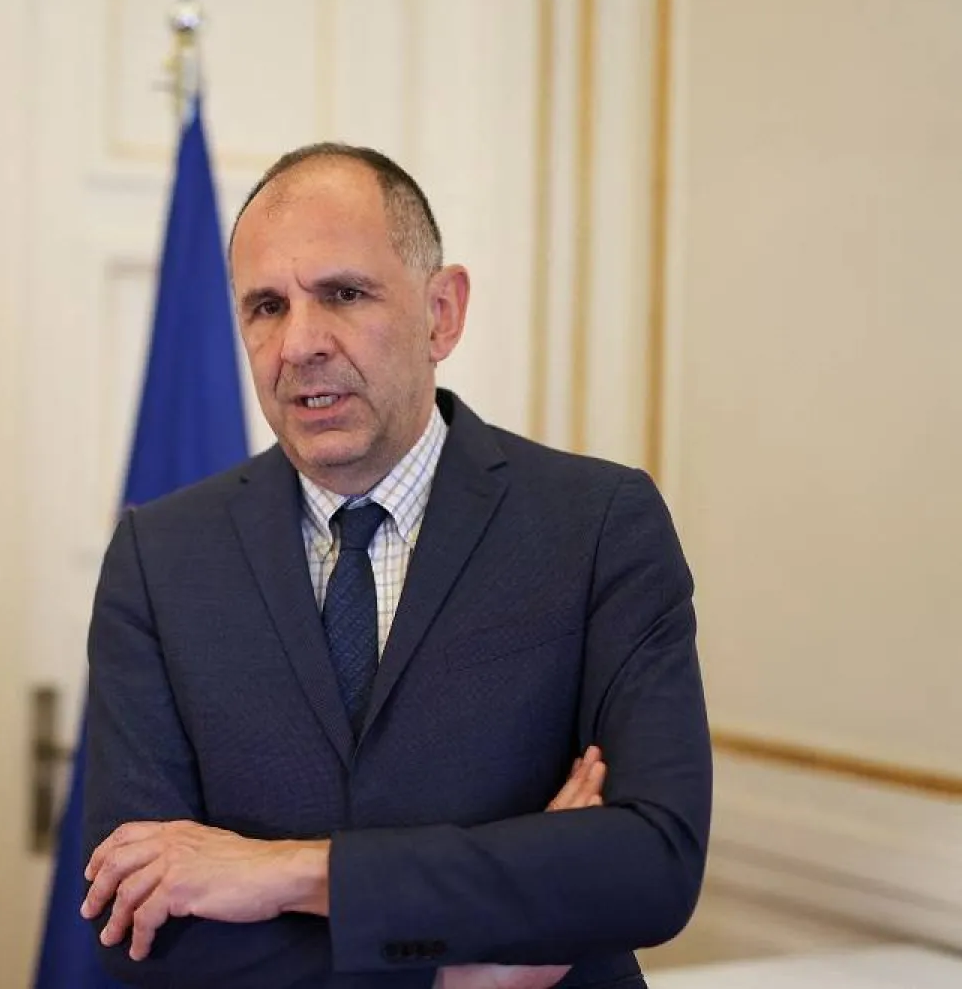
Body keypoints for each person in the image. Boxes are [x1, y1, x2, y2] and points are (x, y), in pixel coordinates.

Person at [79, 143, 712, 989]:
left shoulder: (596, 525)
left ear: (441, 313)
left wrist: (293, 873)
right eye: (266, 305)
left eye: (343, 293)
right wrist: (461, 977)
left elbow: (648, 862)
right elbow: (138, 918)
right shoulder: (159, 558)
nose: (300, 342)